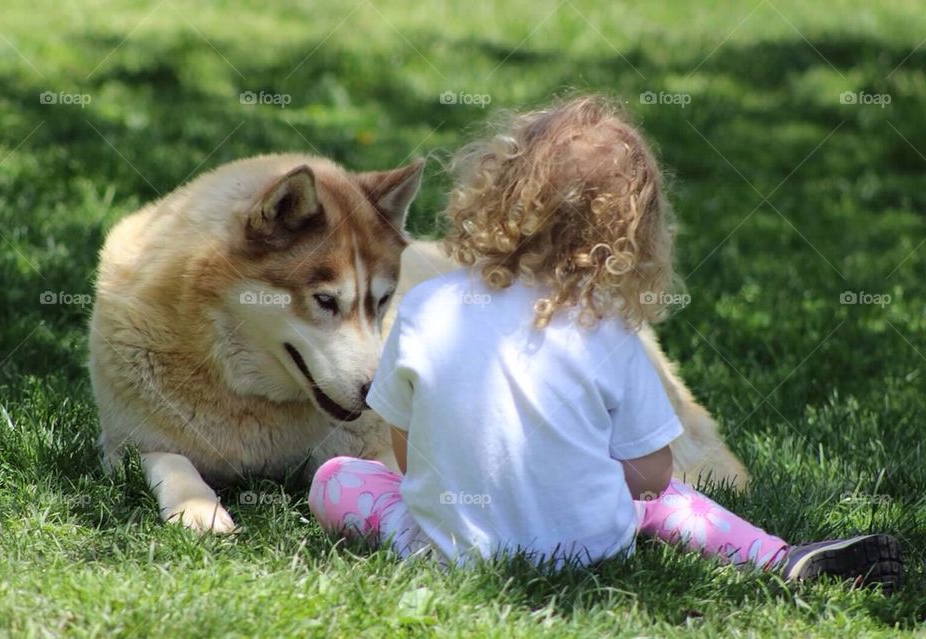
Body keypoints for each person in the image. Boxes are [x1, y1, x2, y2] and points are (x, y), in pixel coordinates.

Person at [307, 96, 903, 592]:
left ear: (493, 192)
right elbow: (650, 472)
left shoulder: (431, 307)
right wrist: (575, 475)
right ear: (631, 234)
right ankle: (776, 557)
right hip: (589, 550)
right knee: (670, 501)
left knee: (338, 477)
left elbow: (409, 456)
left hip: (444, 550)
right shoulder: (607, 328)